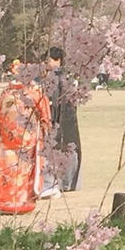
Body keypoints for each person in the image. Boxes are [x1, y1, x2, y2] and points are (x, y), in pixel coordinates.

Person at [0, 62, 55, 215]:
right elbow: (45, 115)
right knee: (24, 169)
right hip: (27, 138)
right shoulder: (34, 92)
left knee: (7, 169)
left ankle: (4, 201)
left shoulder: (6, 93)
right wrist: (45, 128)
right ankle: (23, 202)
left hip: (6, 138)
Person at [41, 46, 82, 192]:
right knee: (65, 147)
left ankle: (61, 182)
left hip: (62, 117)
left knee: (63, 147)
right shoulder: (62, 76)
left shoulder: (60, 77)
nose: (46, 63)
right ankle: (65, 182)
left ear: (58, 61)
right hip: (63, 117)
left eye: (49, 60)